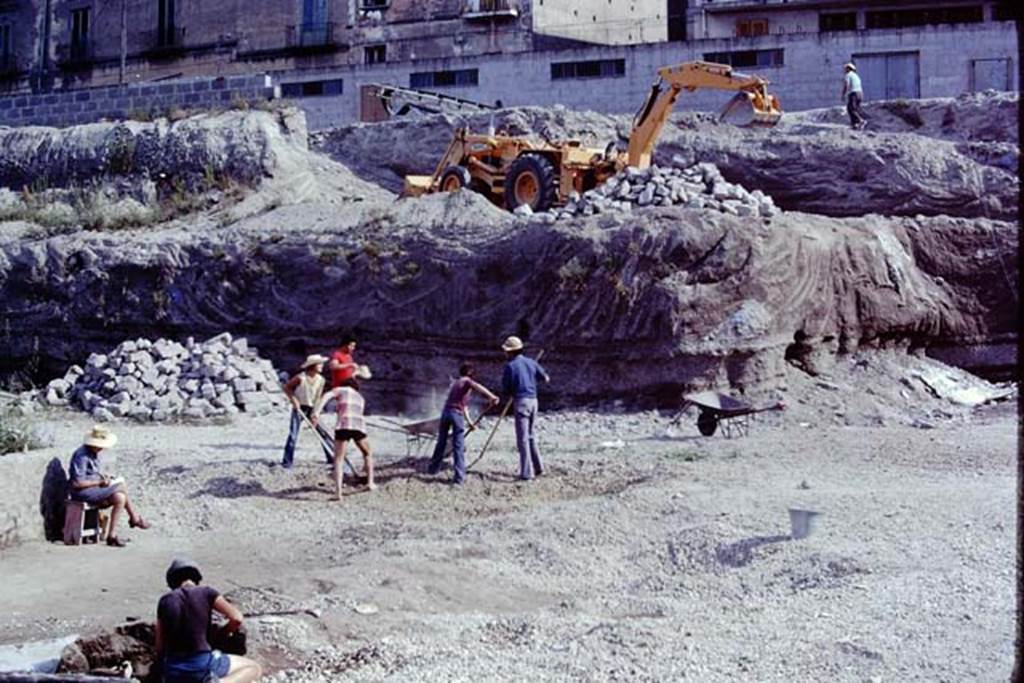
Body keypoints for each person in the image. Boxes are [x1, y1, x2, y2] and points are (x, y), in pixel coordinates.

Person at [156, 557, 262, 683]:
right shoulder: (207, 593)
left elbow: (159, 646)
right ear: (196, 577)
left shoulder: (164, 601)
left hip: (173, 671)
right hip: (202, 665)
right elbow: (237, 618)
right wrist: (222, 633)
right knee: (254, 668)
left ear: (172, 581)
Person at [67, 425, 150, 548]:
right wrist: (99, 483)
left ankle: (112, 535)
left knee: (120, 497)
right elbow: (77, 483)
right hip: (82, 493)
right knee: (121, 485)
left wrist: (102, 479)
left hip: (92, 489)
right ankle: (134, 518)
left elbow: (90, 475)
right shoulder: (81, 456)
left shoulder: (92, 453)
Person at [427, 363, 499, 485]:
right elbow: (478, 387)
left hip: (445, 413)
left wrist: (470, 423)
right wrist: (492, 396)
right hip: (455, 415)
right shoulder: (466, 381)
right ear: (470, 373)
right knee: (458, 446)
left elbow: (463, 406)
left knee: (441, 442)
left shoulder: (455, 384)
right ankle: (459, 478)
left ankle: (433, 470)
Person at [313, 366, 374, 500]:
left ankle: (338, 493)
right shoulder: (360, 397)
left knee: (339, 459)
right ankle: (370, 483)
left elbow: (326, 396)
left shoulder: (340, 389)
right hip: (359, 427)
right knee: (367, 453)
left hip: (343, 426)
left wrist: (316, 412)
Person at [500, 336, 549, 481]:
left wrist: (511, 391)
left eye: (506, 351)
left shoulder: (510, 366)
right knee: (531, 435)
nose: (505, 354)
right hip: (534, 401)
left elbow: (506, 389)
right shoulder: (531, 362)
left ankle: (527, 474)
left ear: (511, 352)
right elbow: (546, 379)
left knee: (523, 440)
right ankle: (539, 468)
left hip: (521, 402)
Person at [281, 354, 334, 468]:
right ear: (313, 366)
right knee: (293, 434)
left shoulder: (321, 380)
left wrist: (316, 413)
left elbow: (318, 397)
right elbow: (287, 388)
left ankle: (331, 457)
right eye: (319, 364)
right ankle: (287, 462)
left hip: (312, 408)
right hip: (299, 407)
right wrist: (294, 400)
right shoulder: (301, 377)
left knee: (322, 433)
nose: (322, 366)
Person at [841, 62, 868, 130]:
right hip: (860, 94)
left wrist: (843, 94)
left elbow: (846, 85)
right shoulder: (856, 76)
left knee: (850, 109)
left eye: (846, 68)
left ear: (848, 69)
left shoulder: (848, 75)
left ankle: (861, 121)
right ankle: (854, 125)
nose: (845, 70)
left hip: (854, 94)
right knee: (855, 109)